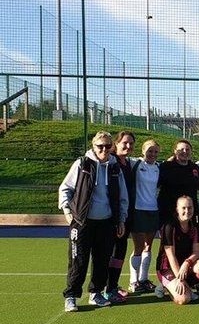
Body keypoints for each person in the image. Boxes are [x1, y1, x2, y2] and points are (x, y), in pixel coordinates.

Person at [58, 131, 129, 312]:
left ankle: (95, 293)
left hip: (106, 222)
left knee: (102, 260)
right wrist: (67, 212)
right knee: (78, 260)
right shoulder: (82, 164)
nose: (104, 149)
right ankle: (71, 296)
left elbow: (123, 197)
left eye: (107, 146)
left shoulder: (114, 168)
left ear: (111, 146)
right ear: (93, 146)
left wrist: (121, 219)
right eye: (100, 146)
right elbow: (65, 188)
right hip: (82, 222)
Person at [156, 196, 199, 305]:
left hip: (184, 266)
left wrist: (187, 263)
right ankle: (164, 286)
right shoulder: (169, 226)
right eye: (184, 208)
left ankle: (188, 286)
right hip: (167, 268)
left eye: (190, 208)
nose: (187, 211)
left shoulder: (195, 226)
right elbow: (171, 256)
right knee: (183, 299)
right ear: (177, 209)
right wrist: (180, 279)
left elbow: (197, 252)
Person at [105, 130, 136, 303]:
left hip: (127, 215)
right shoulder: (111, 162)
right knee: (111, 251)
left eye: (131, 143)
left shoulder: (129, 163)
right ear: (116, 144)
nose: (128, 146)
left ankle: (113, 285)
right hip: (114, 216)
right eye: (125, 142)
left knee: (120, 251)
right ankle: (106, 288)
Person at [128, 139, 161, 294]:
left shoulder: (158, 168)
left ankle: (143, 279)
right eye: (149, 150)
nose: (152, 154)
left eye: (155, 151)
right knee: (138, 247)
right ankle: (133, 281)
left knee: (149, 246)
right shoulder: (135, 163)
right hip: (138, 210)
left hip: (153, 210)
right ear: (142, 151)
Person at [157, 139, 199, 225]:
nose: (185, 152)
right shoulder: (165, 167)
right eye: (181, 149)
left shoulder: (195, 168)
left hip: (188, 213)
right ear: (175, 151)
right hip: (168, 213)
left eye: (187, 149)